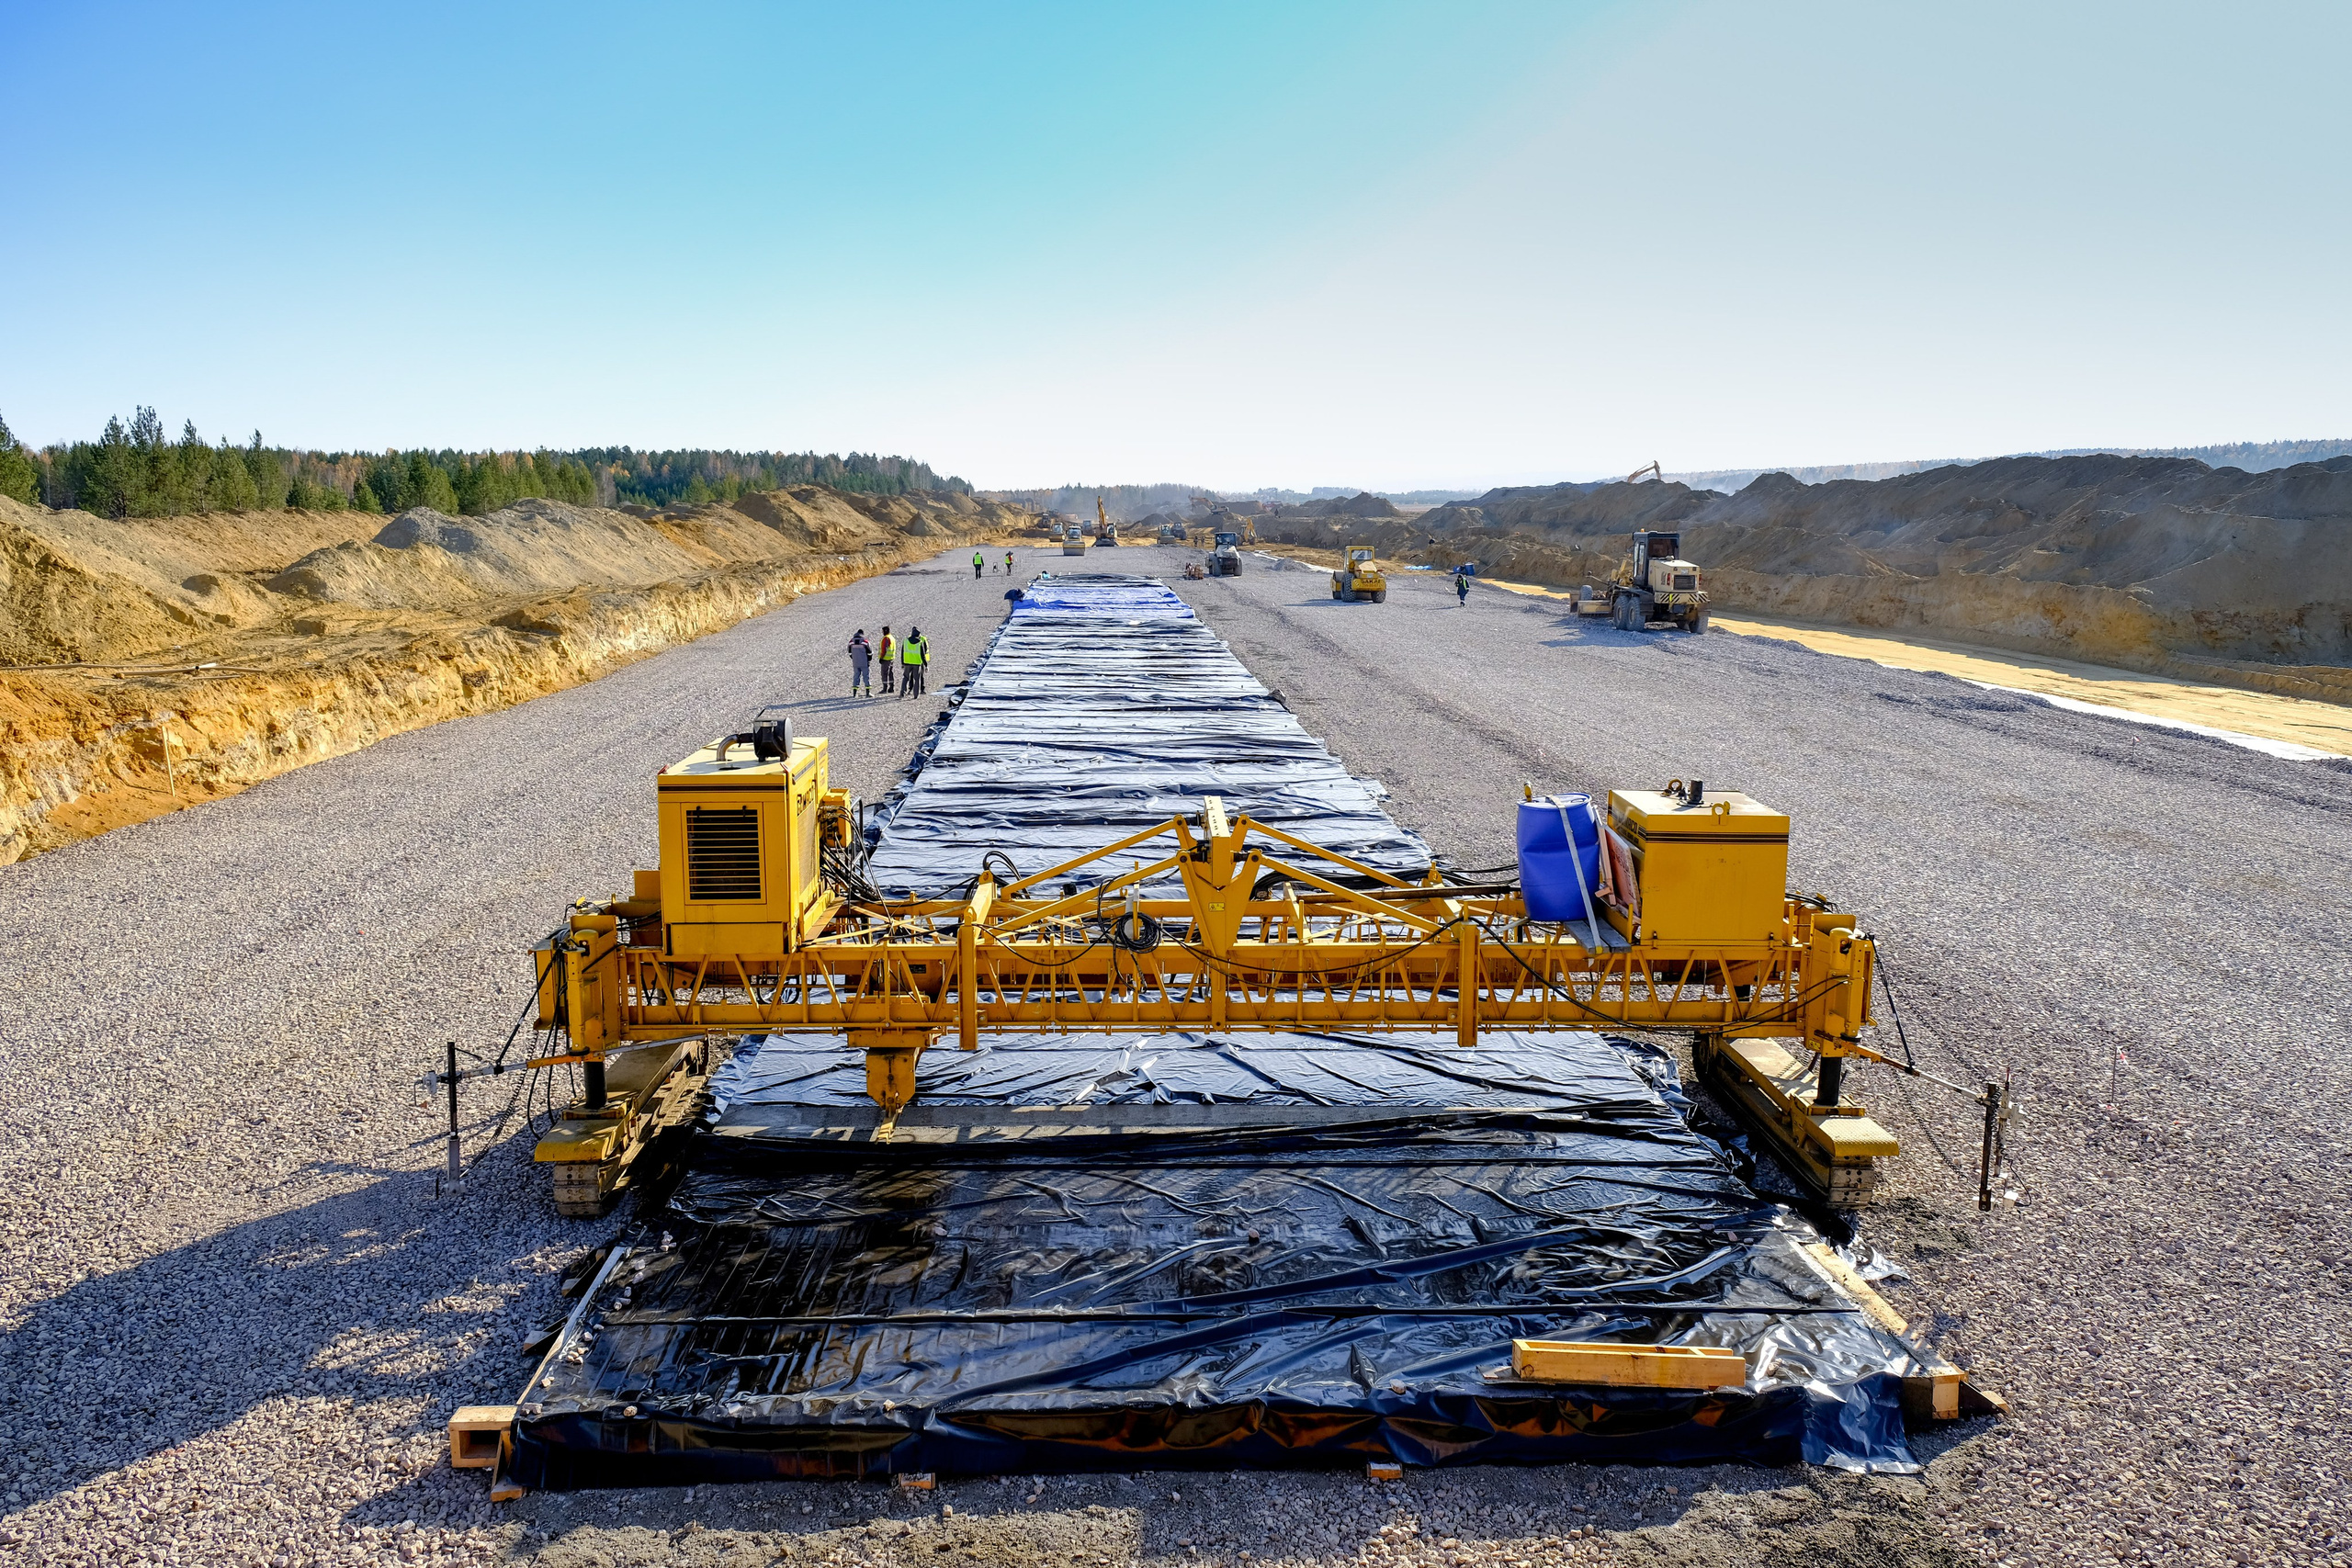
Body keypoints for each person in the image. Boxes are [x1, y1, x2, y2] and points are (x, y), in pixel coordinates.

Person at [900, 626, 929, 698]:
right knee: (917, 679)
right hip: (917, 663)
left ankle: (902, 693)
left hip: (907, 663)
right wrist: (926, 665)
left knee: (905, 678)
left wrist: (902, 662)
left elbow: (902, 652)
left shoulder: (906, 641)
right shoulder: (920, 642)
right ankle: (916, 695)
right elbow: (923, 655)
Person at [846, 629, 873, 696]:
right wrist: (869, 660)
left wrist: (853, 658)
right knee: (866, 677)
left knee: (856, 677)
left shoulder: (851, 641)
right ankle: (868, 692)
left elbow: (849, 651)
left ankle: (854, 693)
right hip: (864, 662)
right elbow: (870, 652)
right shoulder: (865, 641)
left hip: (855, 662)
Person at [877, 626, 898, 694]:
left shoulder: (886, 638)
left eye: (883, 631)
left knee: (884, 673)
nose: (882, 632)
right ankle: (891, 687)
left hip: (886, 659)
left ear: (885, 631)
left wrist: (881, 657)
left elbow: (884, 649)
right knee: (891, 673)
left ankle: (885, 688)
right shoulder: (892, 638)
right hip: (891, 658)